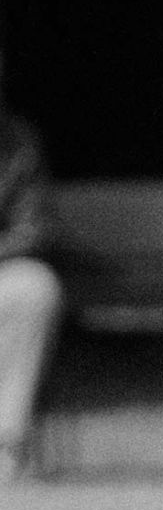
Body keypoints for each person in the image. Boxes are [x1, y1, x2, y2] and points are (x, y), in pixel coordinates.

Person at [0, 94, 63, 483]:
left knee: (35, 287)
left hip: (2, 267)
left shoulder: (15, 141)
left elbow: (34, 225)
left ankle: (6, 442)